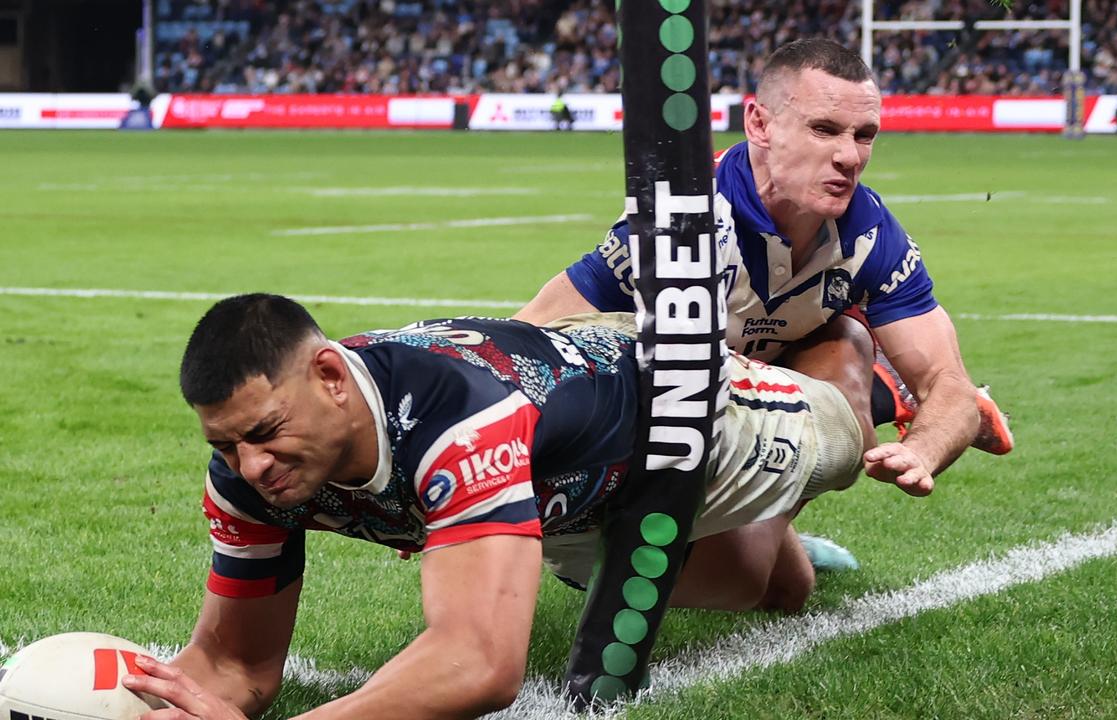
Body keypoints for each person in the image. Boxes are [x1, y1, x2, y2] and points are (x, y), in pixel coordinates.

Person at [124, 293, 894, 719]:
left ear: (330, 377)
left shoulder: (459, 418)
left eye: (265, 433)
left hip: (679, 409)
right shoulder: (245, 476)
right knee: (774, 591)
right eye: (225, 444)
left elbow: (479, 664)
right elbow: (235, 664)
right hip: (564, 501)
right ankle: (774, 535)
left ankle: (850, 345)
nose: (249, 466)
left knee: (847, 442)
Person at [517, 37, 1013, 587]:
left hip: (768, 399)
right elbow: (530, 333)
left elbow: (951, 384)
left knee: (847, 342)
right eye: (824, 129)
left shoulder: (873, 237)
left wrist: (921, 451)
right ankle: (880, 401)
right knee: (782, 589)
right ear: (759, 124)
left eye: (864, 135)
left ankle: (865, 401)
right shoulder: (682, 217)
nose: (850, 157)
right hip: (672, 411)